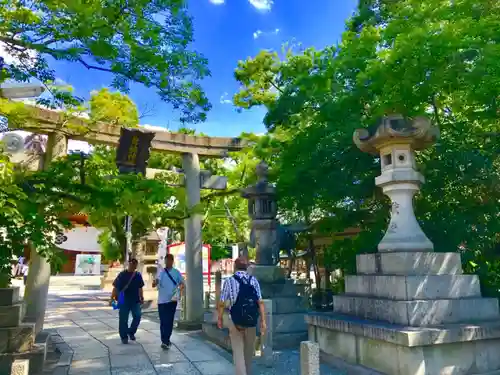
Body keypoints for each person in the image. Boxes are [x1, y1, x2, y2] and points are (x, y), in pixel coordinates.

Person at [217, 257, 266, 375]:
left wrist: (220, 318)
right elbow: (260, 302)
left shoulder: (229, 281)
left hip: (235, 321)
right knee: (249, 354)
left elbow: (222, 302)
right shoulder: (253, 280)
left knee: (238, 353)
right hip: (251, 321)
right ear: (247, 267)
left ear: (235, 267)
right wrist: (263, 321)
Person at [153, 253, 184, 349]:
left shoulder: (176, 272)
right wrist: (155, 282)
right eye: (166, 260)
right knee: (163, 321)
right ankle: (164, 340)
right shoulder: (161, 272)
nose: (168, 262)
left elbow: (182, 283)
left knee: (169, 321)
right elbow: (155, 283)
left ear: (172, 261)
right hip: (162, 301)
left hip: (172, 300)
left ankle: (167, 339)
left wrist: (180, 292)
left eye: (170, 260)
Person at [111, 258, 145, 344]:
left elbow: (140, 287)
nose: (133, 265)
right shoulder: (122, 275)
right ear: (129, 264)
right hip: (124, 299)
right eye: (131, 263)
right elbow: (115, 287)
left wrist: (141, 297)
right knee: (123, 319)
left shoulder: (138, 275)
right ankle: (124, 336)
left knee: (137, 316)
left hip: (135, 300)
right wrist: (112, 297)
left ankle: (131, 332)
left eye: (134, 264)